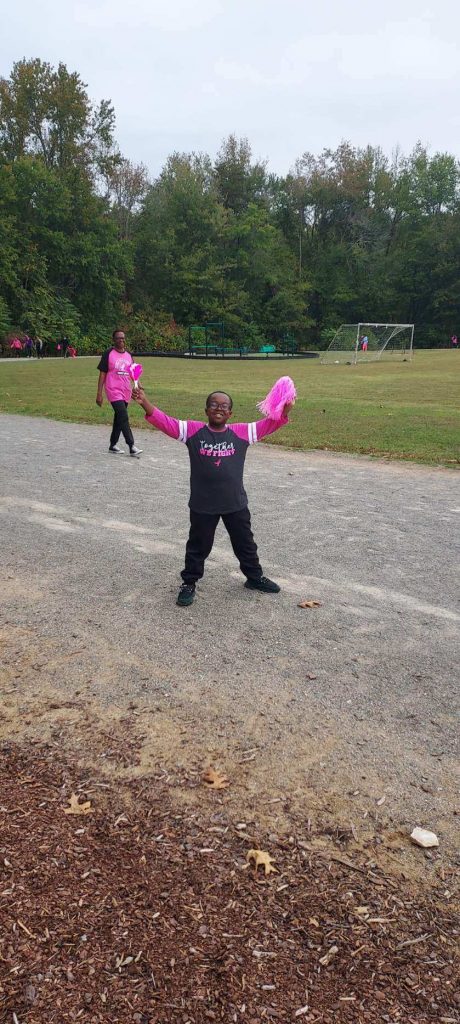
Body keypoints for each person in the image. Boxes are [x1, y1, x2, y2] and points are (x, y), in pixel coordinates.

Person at [132, 386, 293, 606]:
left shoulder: (241, 432)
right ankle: (189, 582)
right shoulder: (193, 431)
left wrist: (285, 409)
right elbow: (166, 422)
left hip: (235, 502)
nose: (219, 408)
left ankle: (254, 577)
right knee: (198, 546)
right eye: (214, 405)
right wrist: (144, 401)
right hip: (203, 504)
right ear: (206, 410)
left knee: (245, 543)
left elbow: (270, 424)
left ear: (230, 413)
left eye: (224, 406)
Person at [96, 329, 143, 457]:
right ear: (114, 340)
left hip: (125, 390)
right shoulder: (108, 354)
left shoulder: (128, 355)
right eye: (118, 338)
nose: (121, 340)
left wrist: (138, 384)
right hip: (113, 390)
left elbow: (133, 371)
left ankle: (113, 445)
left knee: (119, 418)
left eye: (123, 338)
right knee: (123, 415)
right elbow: (102, 374)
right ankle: (131, 446)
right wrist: (99, 393)